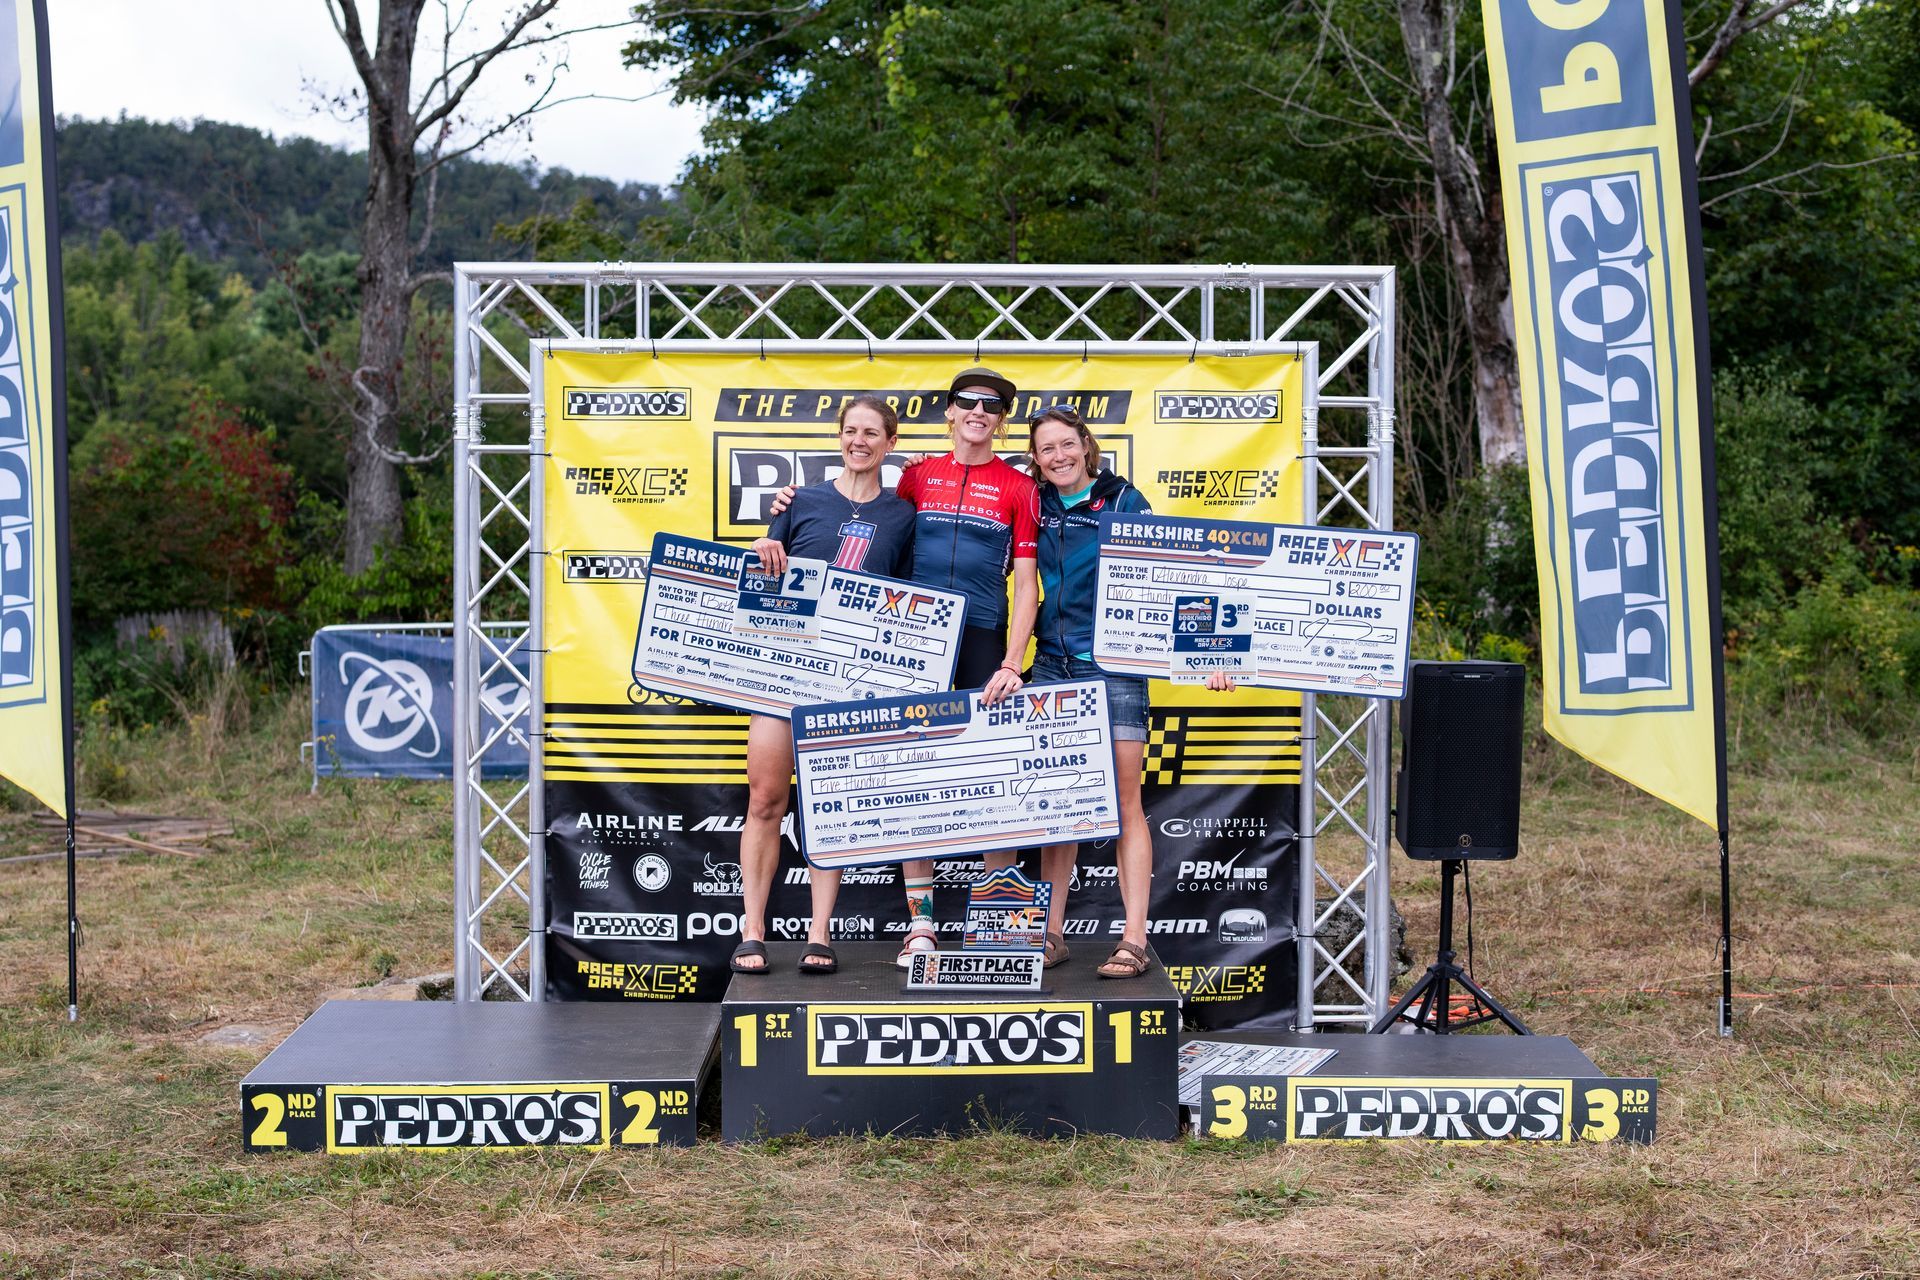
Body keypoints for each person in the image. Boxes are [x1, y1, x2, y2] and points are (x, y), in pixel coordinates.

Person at [769, 367, 1040, 968]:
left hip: (981, 641)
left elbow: (1026, 584)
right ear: (949, 412)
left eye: (991, 406)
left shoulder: (1019, 487)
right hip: (912, 645)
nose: (978, 411)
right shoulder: (916, 477)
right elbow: (864, 522)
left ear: (1000, 420)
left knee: (994, 781)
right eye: (966, 402)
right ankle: (921, 927)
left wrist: (1013, 661)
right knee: (912, 780)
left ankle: (999, 929)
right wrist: (789, 505)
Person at [981, 403, 1233, 979]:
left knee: (1124, 805)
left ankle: (1134, 939)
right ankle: (1049, 934)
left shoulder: (1123, 501)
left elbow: (1175, 576)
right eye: (1047, 449)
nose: (1059, 456)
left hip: (1115, 669)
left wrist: (1213, 652)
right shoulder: (1034, 504)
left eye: (1067, 444)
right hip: (1050, 666)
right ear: (1036, 461)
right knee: (1054, 805)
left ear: (1085, 444)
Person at [730, 396, 916, 976]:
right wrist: (762, 548)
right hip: (785, 674)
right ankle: (752, 931)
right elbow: (764, 579)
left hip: (855, 684)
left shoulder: (903, 514)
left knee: (829, 808)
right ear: (839, 438)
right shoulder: (800, 500)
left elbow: (910, 602)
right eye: (850, 431)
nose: (859, 441)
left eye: (871, 433)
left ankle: (820, 932)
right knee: (765, 800)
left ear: (890, 444)